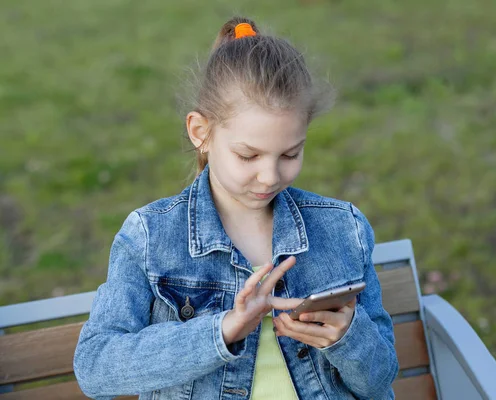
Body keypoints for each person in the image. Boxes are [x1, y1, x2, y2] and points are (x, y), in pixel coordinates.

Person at [73, 16, 398, 400]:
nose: (269, 176)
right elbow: (95, 367)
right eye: (249, 156)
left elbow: (380, 380)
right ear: (201, 133)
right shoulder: (151, 236)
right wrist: (222, 330)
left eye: (290, 154)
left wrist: (347, 339)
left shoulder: (343, 229)